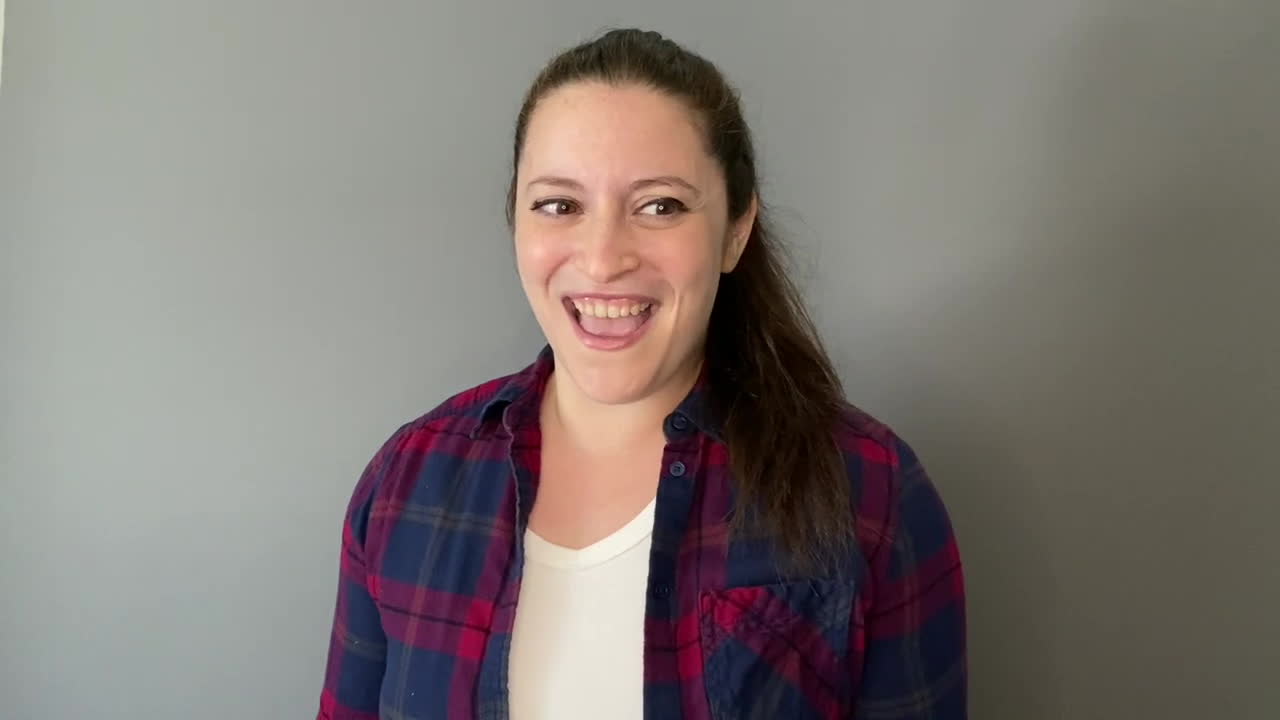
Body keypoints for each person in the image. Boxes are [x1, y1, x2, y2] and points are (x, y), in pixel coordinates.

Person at [318, 28, 965, 720]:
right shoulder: (404, 485)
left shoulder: (872, 494)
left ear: (736, 230)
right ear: (516, 221)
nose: (603, 259)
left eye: (661, 206)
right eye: (560, 205)